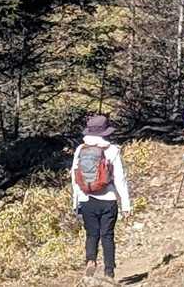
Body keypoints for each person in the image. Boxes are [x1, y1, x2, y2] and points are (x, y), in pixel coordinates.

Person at [71, 113, 132, 279]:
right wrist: (126, 205)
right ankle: (109, 272)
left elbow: (74, 177)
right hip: (108, 199)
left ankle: (91, 260)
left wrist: (75, 202)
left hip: (86, 198)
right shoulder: (112, 150)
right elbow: (120, 179)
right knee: (107, 235)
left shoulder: (80, 149)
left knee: (92, 234)